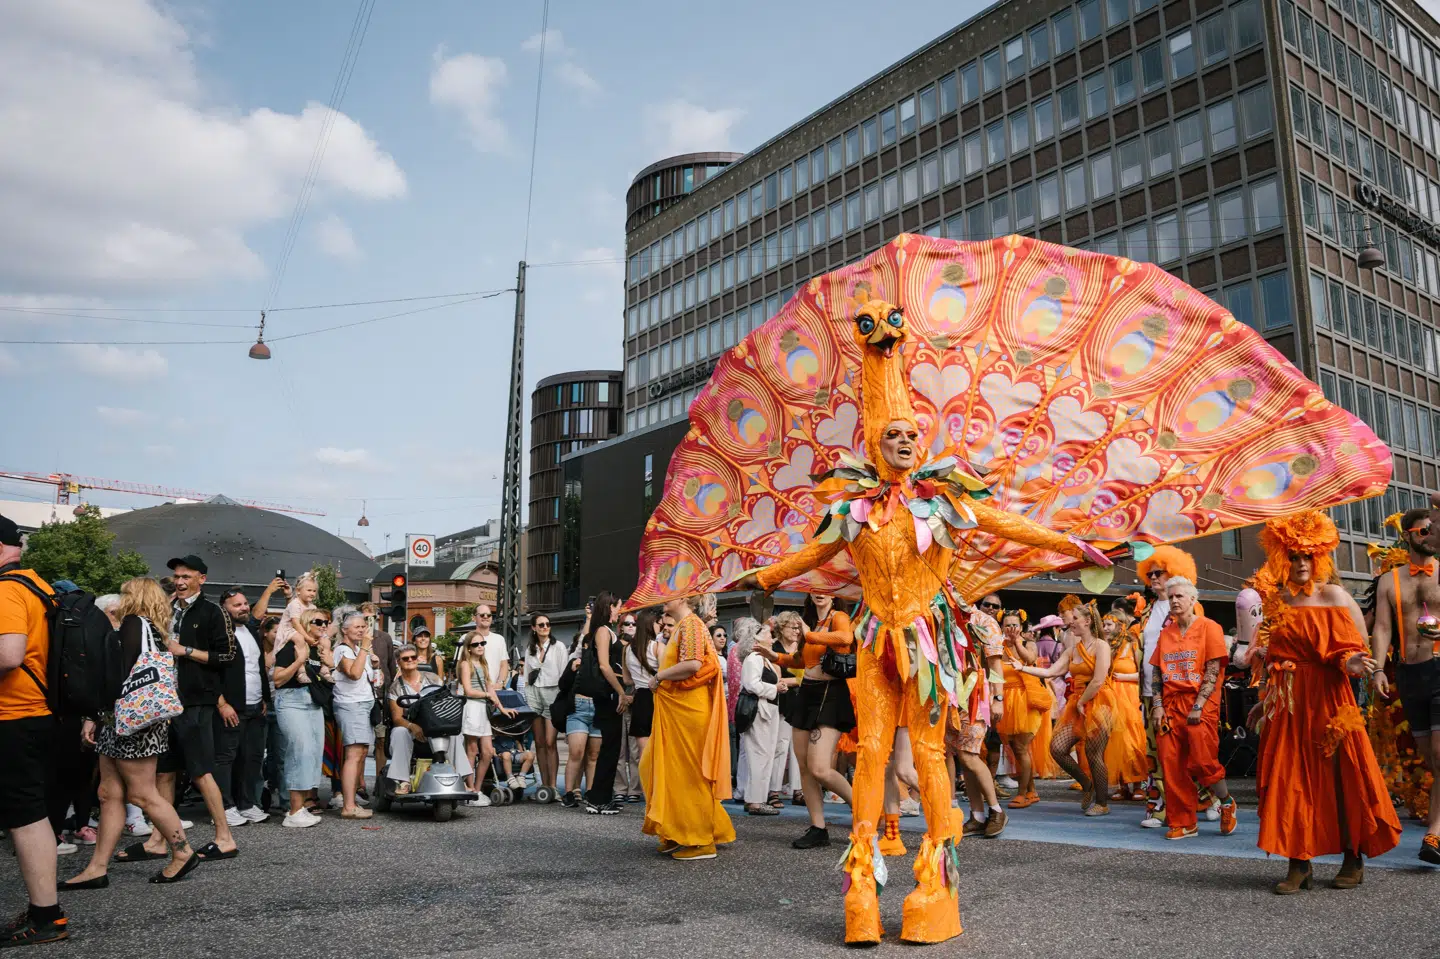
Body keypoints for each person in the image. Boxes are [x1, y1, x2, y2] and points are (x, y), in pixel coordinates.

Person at [1247, 511, 1401, 892]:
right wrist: (1264, 699)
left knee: (1341, 776)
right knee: (1291, 778)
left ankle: (1353, 857)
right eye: (1293, 556)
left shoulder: (1334, 596)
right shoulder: (1277, 602)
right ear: (1282, 559)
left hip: (1329, 697)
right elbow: (1275, 657)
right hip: (1288, 702)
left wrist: (1350, 661)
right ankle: (1298, 863)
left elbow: (1357, 646)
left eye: (1307, 556)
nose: (1301, 563)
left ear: (1318, 558)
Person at [61, 578, 199, 889]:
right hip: (125, 718)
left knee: (141, 793)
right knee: (109, 793)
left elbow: (118, 676)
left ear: (135, 597)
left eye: (125, 593)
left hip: (132, 720)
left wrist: (93, 713)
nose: (122, 598)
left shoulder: (134, 623)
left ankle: (183, 851)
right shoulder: (154, 629)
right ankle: (97, 867)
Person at [140, 555, 238, 863]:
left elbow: (228, 656)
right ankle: (158, 840)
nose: (180, 582)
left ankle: (225, 838)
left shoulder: (213, 611)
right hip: (166, 700)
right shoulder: (168, 609)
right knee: (165, 772)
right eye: (177, 576)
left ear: (201, 579)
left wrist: (186, 651)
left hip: (196, 701)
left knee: (200, 771)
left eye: (186, 576)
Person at [0, 514, 69, 945]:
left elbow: (9, 654)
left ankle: (47, 916)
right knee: (30, 812)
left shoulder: (6, 589)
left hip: (14, 715)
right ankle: (44, 911)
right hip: (37, 713)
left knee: (26, 816)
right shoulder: (37, 585)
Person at [752, 599, 855, 849]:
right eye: (815, 588)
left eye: (824, 588)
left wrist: (810, 635)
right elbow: (802, 660)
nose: (820, 593)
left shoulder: (837, 617)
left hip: (831, 694)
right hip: (807, 693)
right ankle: (818, 828)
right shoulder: (810, 622)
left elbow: (846, 638)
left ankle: (864, 812)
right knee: (805, 768)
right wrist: (776, 656)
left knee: (820, 768)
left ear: (832, 594)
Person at [639, 594, 735, 861]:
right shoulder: (685, 625)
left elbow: (693, 665)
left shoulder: (691, 624)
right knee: (662, 769)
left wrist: (659, 676)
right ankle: (679, 831)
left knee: (689, 775)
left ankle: (700, 840)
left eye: (670, 594)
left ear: (683, 598)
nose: (663, 598)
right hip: (680, 710)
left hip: (689, 711)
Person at [1371, 506, 1440, 865]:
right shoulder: (1389, 581)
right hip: (1409, 673)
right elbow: (1382, 627)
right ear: (1408, 535)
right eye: (1423, 531)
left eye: (1433, 530)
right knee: (1430, 758)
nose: (1430, 535)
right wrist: (1377, 670)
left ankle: (1435, 833)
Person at [1149, 576, 1238, 842]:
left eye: (1179, 596)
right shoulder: (1166, 633)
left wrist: (1198, 705)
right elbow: (1156, 672)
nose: (1174, 601)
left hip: (1201, 703)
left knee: (1202, 761)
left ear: (1192, 599)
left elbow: (1213, 670)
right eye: (1171, 597)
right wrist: (1157, 705)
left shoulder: (1210, 627)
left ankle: (1226, 801)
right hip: (1170, 705)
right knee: (1171, 764)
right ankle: (1184, 822)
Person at [1018, 595, 1116, 817]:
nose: (1070, 622)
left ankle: (1102, 802)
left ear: (1087, 621)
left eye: (1075, 618)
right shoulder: (1073, 649)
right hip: (1078, 702)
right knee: (1057, 748)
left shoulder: (1101, 646)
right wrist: (1022, 668)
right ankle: (1086, 783)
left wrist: (1082, 701)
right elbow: (1051, 672)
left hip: (1099, 701)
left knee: (1094, 754)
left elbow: (1098, 680)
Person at [217, 582, 281, 827]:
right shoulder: (219, 633)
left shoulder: (251, 631)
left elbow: (258, 668)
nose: (243, 608)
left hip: (256, 706)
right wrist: (222, 703)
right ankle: (225, 807)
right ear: (224, 609)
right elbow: (212, 673)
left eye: (245, 603)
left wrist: (264, 697)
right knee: (227, 758)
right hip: (232, 706)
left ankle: (246, 804)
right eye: (237, 605)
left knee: (252, 758)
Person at [271, 608, 331, 827]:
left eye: (326, 622)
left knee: (313, 754)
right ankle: (293, 811)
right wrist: (299, 662)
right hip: (291, 701)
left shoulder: (319, 649)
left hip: (312, 703)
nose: (324, 626)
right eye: (319, 622)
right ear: (306, 623)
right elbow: (277, 679)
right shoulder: (292, 647)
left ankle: (301, 807)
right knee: (300, 751)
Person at [736, 617, 799, 816]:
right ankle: (755, 801)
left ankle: (756, 799)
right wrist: (775, 688)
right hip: (760, 711)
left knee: (765, 755)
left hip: (768, 710)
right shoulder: (754, 658)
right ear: (756, 639)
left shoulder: (763, 659)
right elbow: (751, 684)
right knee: (759, 756)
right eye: (767, 635)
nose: (772, 639)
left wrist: (777, 686)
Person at [578, 592, 631, 815]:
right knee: (609, 747)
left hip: (612, 691)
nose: (620, 610)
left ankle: (601, 796)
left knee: (612, 746)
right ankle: (598, 799)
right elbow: (604, 665)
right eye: (617, 606)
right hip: (608, 693)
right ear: (609, 607)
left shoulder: (608, 631)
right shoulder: (602, 631)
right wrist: (620, 692)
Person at [996, 608, 1045, 809]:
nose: (1011, 629)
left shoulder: (1028, 643)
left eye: (1014, 625)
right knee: (1015, 749)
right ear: (1001, 627)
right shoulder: (997, 646)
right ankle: (1032, 791)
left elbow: (1030, 660)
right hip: (1005, 701)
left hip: (1025, 701)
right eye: (1007, 625)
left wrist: (1016, 642)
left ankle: (1022, 793)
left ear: (1021, 626)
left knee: (1021, 747)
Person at [459, 628, 515, 804]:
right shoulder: (465, 664)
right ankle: (470, 791)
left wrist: (502, 708)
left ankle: (476, 789)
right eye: (476, 644)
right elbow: (468, 690)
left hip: (483, 709)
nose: (480, 646)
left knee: (488, 752)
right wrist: (487, 695)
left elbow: (490, 688)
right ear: (468, 648)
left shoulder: (483, 664)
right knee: (472, 750)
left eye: (482, 643)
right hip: (472, 707)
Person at [331, 609, 376, 819]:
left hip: (362, 704)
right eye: (357, 627)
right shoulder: (343, 650)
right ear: (344, 630)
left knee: (361, 752)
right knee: (354, 753)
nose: (362, 630)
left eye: (363, 626)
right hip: (351, 705)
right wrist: (365, 648)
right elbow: (354, 673)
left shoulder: (357, 649)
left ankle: (352, 802)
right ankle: (348, 806)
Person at [385, 644, 445, 793]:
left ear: (418, 659)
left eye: (413, 657)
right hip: (410, 728)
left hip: (434, 725)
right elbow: (397, 718)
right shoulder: (395, 687)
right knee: (399, 731)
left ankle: (461, 777)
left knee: (455, 733)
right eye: (405, 658)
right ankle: (403, 781)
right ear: (398, 662)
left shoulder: (433, 679)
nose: (410, 660)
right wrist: (412, 726)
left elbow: (445, 704)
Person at [1102, 610, 1148, 801]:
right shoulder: (1106, 646)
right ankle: (1122, 785)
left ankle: (1138, 784)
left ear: (1120, 625)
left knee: (1132, 741)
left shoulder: (1132, 644)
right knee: (1115, 742)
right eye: (1104, 625)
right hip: (1111, 697)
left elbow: (1144, 673)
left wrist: (1124, 677)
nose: (1105, 628)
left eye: (1109, 625)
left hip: (1129, 698)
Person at [522, 614, 566, 799]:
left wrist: (562, 698)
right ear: (534, 628)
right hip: (534, 692)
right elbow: (526, 675)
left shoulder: (558, 646)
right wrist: (527, 694)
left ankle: (553, 787)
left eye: (548, 624)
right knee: (539, 743)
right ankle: (544, 785)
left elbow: (563, 674)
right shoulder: (530, 649)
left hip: (552, 692)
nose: (545, 627)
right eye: (541, 625)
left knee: (550, 742)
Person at [623, 609, 661, 801]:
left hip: (639, 699)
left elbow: (627, 680)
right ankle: (660, 795)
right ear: (650, 625)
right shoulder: (657, 647)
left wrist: (640, 678)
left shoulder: (627, 649)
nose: (660, 626)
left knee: (644, 754)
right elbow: (666, 674)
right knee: (660, 752)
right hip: (658, 697)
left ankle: (649, 797)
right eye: (658, 623)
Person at [466, 604, 510, 688]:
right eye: (482, 615)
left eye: (489, 615)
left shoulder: (499, 639)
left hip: (494, 690)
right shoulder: (466, 638)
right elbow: (461, 665)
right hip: (472, 689)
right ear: (474, 618)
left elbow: (504, 664)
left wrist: (500, 684)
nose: (486, 617)